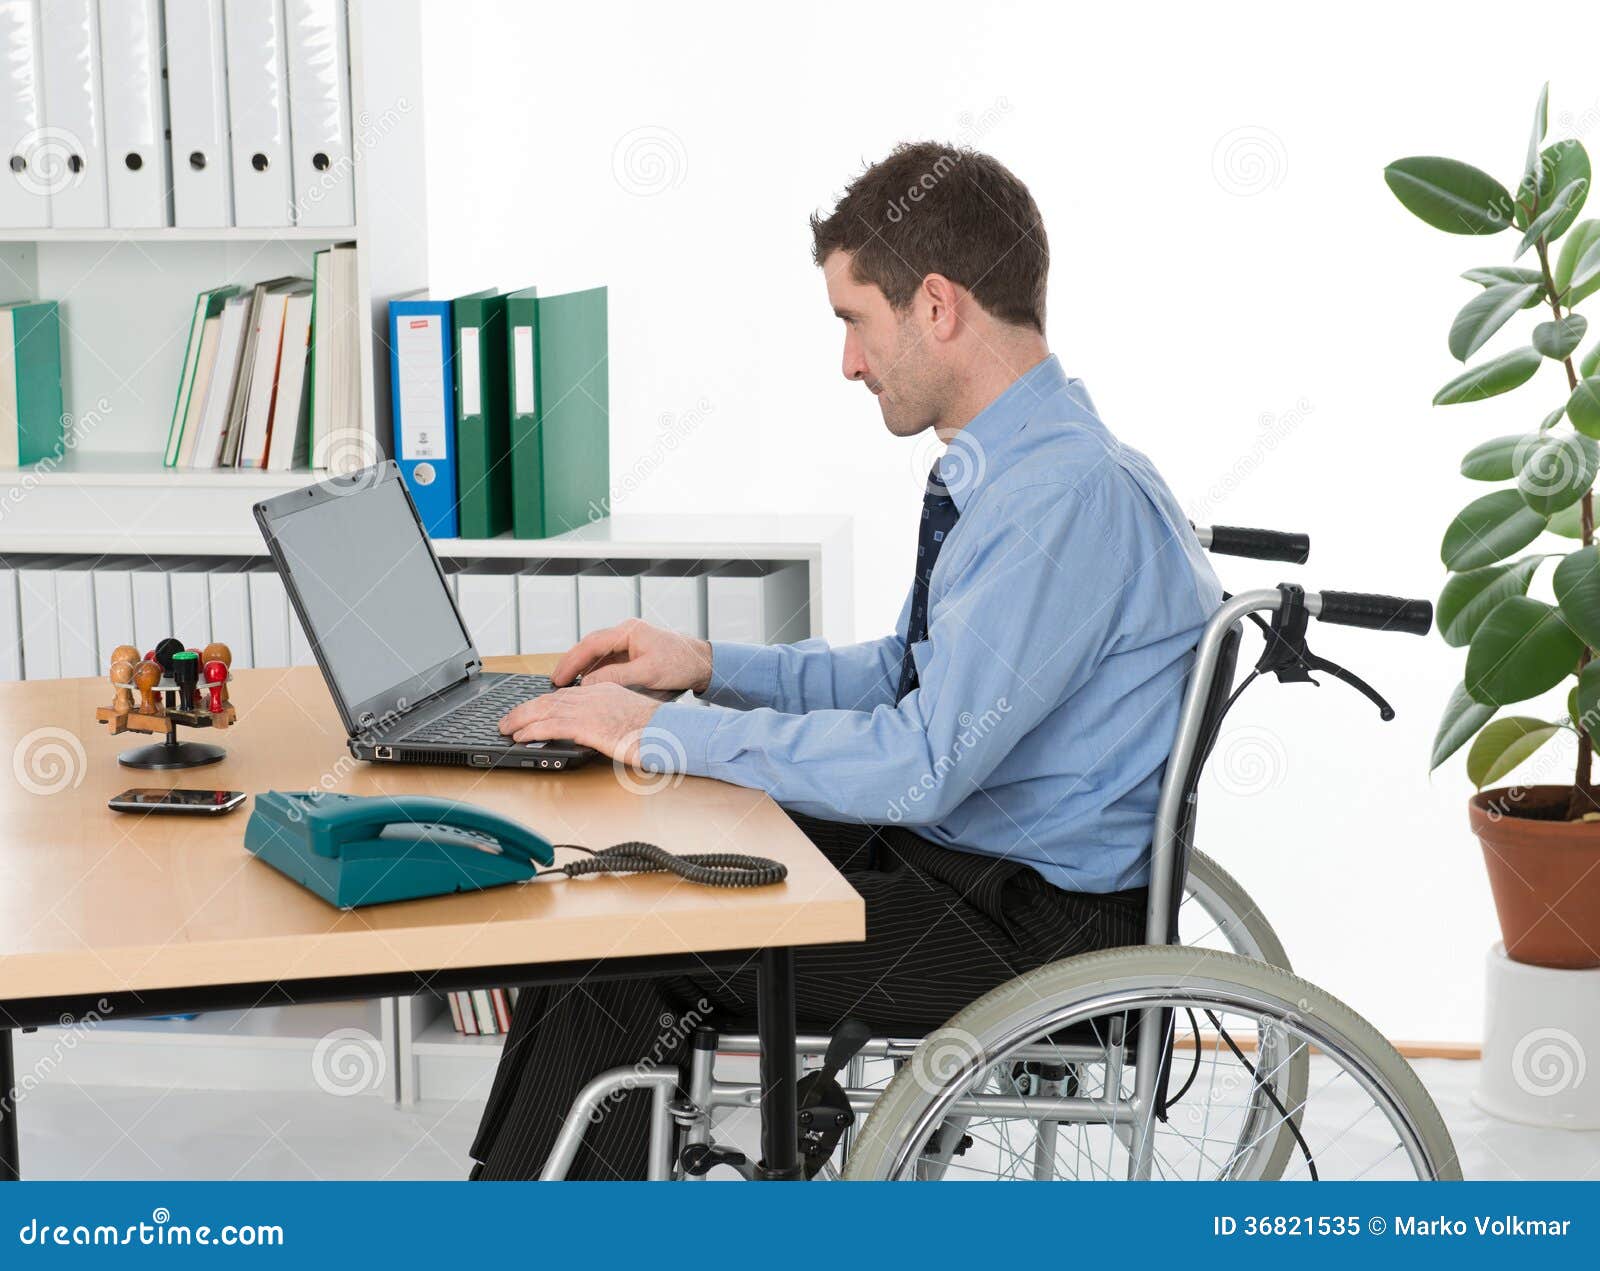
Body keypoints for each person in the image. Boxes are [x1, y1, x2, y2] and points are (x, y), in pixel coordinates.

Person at [468, 141, 1221, 1180]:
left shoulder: (1060, 501)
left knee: (618, 939)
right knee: (612, 879)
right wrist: (703, 666)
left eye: (854, 321)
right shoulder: (1020, 469)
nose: (849, 361)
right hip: (967, 865)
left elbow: (919, 759)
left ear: (938, 307)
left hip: (1028, 926)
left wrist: (656, 734)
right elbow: (903, 677)